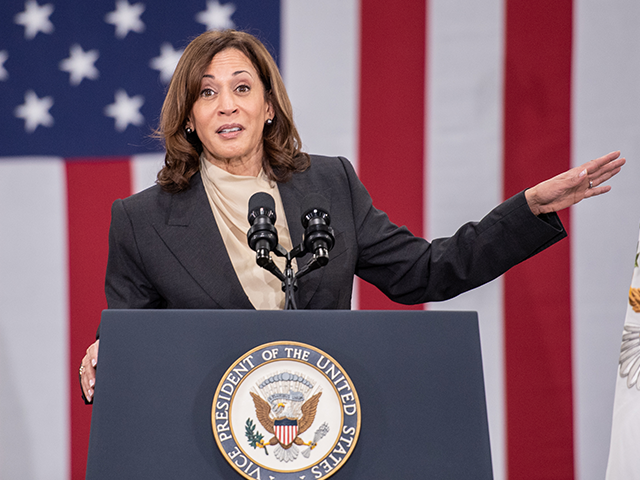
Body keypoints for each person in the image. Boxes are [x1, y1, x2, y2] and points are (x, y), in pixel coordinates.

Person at [79, 30, 625, 403]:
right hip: (207, 440)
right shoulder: (141, 220)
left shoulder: (328, 182)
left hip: (326, 427)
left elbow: (424, 272)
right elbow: (131, 341)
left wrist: (527, 209)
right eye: (207, 93)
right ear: (189, 118)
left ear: (268, 107)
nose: (227, 105)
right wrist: (113, 350)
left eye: (242, 88)